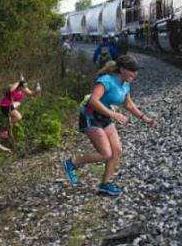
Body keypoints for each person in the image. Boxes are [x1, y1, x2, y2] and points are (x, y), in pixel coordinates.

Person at [62, 55, 158, 196]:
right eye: (132, 70)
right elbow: (93, 101)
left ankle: (105, 184)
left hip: (105, 117)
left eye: (136, 71)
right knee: (105, 153)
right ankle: (72, 163)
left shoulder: (126, 84)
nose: (135, 74)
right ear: (123, 69)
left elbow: (128, 104)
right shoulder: (106, 80)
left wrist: (146, 119)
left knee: (117, 151)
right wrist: (114, 115)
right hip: (91, 116)